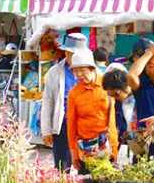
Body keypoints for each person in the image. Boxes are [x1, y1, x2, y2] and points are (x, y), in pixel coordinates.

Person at [40, 33, 90, 170]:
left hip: (86, 126)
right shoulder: (54, 72)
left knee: (86, 167)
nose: (71, 57)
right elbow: (48, 101)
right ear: (66, 52)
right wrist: (46, 130)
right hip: (63, 125)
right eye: (69, 53)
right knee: (63, 167)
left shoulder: (91, 71)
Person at [66, 50, 117, 169]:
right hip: (85, 150)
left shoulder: (108, 85)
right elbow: (71, 125)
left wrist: (114, 148)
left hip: (106, 147)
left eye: (82, 70)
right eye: (75, 71)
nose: (78, 75)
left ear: (92, 69)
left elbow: (113, 119)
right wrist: (74, 154)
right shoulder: (74, 93)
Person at [103, 65, 137, 142]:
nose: (114, 98)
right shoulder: (117, 103)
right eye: (111, 95)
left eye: (116, 94)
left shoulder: (140, 96)